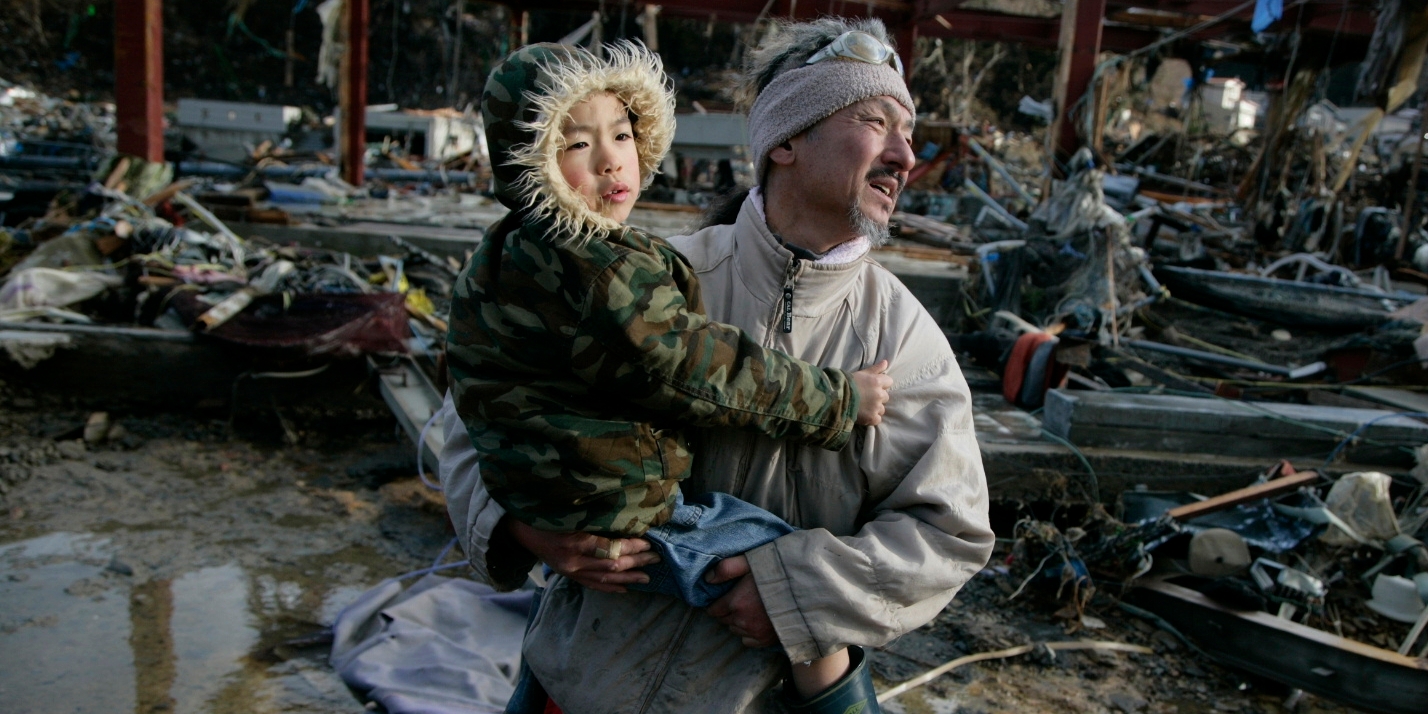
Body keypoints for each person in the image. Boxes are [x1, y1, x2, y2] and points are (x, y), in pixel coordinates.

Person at [441, 17, 994, 714]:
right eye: (876, 122)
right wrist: (521, 527)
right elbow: (466, 422)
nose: (904, 156)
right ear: (786, 140)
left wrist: (795, 592)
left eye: (908, 133)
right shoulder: (638, 283)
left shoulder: (905, 344)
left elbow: (950, 533)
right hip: (575, 689)